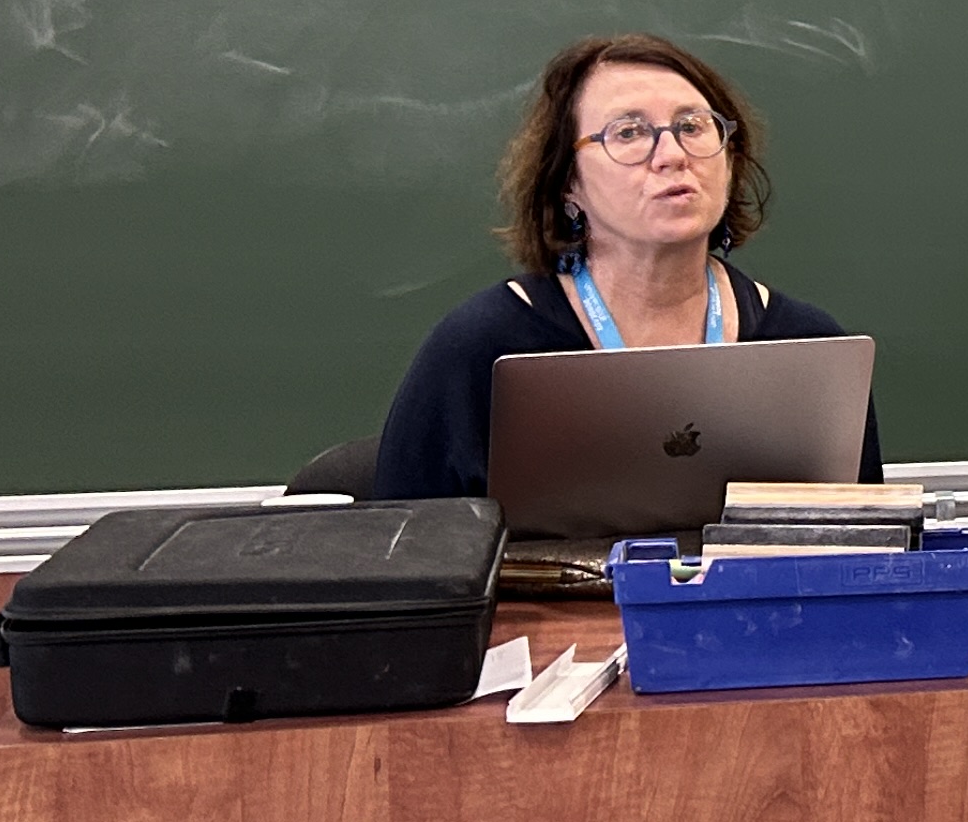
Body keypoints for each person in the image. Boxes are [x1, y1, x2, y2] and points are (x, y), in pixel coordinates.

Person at [372, 33, 883, 499]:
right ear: (567, 183)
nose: (672, 155)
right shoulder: (482, 348)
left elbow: (869, 549)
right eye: (630, 133)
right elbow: (402, 552)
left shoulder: (807, 345)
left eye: (692, 126)